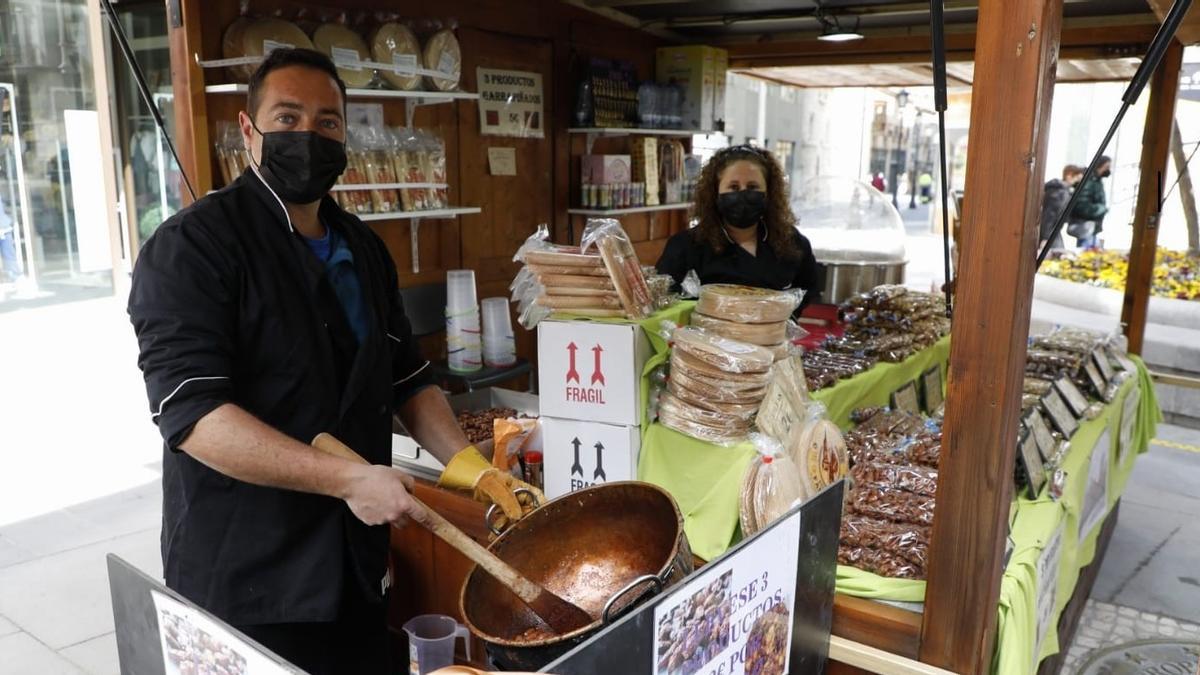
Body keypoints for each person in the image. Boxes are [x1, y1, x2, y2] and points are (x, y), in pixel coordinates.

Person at [127, 49, 539, 675]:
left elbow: (407, 377)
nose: (307, 137)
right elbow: (194, 417)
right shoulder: (192, 247)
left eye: (327, 123)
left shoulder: (363, 247)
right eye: (287, 118)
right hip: (250, 574)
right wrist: (347, 479)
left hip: (356, 560)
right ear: (248, 130)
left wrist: (470, 469)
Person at [655, 144, 819, 310]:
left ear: (769, 193)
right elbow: (663, 302)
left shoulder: (791, 242)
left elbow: (808, 288)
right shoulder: (685, 246)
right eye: (733, 187)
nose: (743, 195)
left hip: (771, 334)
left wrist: (783, 320)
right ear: (715, 193)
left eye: (752, 187)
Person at [1069, 155, 1111, 249]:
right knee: (1086, 256)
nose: (1108, 170)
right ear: (1100, 166)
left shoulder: (1097, 181)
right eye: (1107, 167)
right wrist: (1101, 209)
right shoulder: (1089, 181)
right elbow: (1081, 206)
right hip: (1084, 226)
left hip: (1091, 227)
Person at [1039, 164, 1082, 252]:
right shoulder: (1059, 193)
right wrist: (1045, 237)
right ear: (1069, 176)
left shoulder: (1062, 191)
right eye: (1076, 179)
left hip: (1052, 231)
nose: (1076, 182)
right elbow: (1049, 215)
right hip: (1050, 232)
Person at [0, 191, 20, 282]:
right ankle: (15, 276)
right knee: (9, 255)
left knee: (9, 255)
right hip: (4, 227)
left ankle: (15, 276)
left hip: (3, 228)